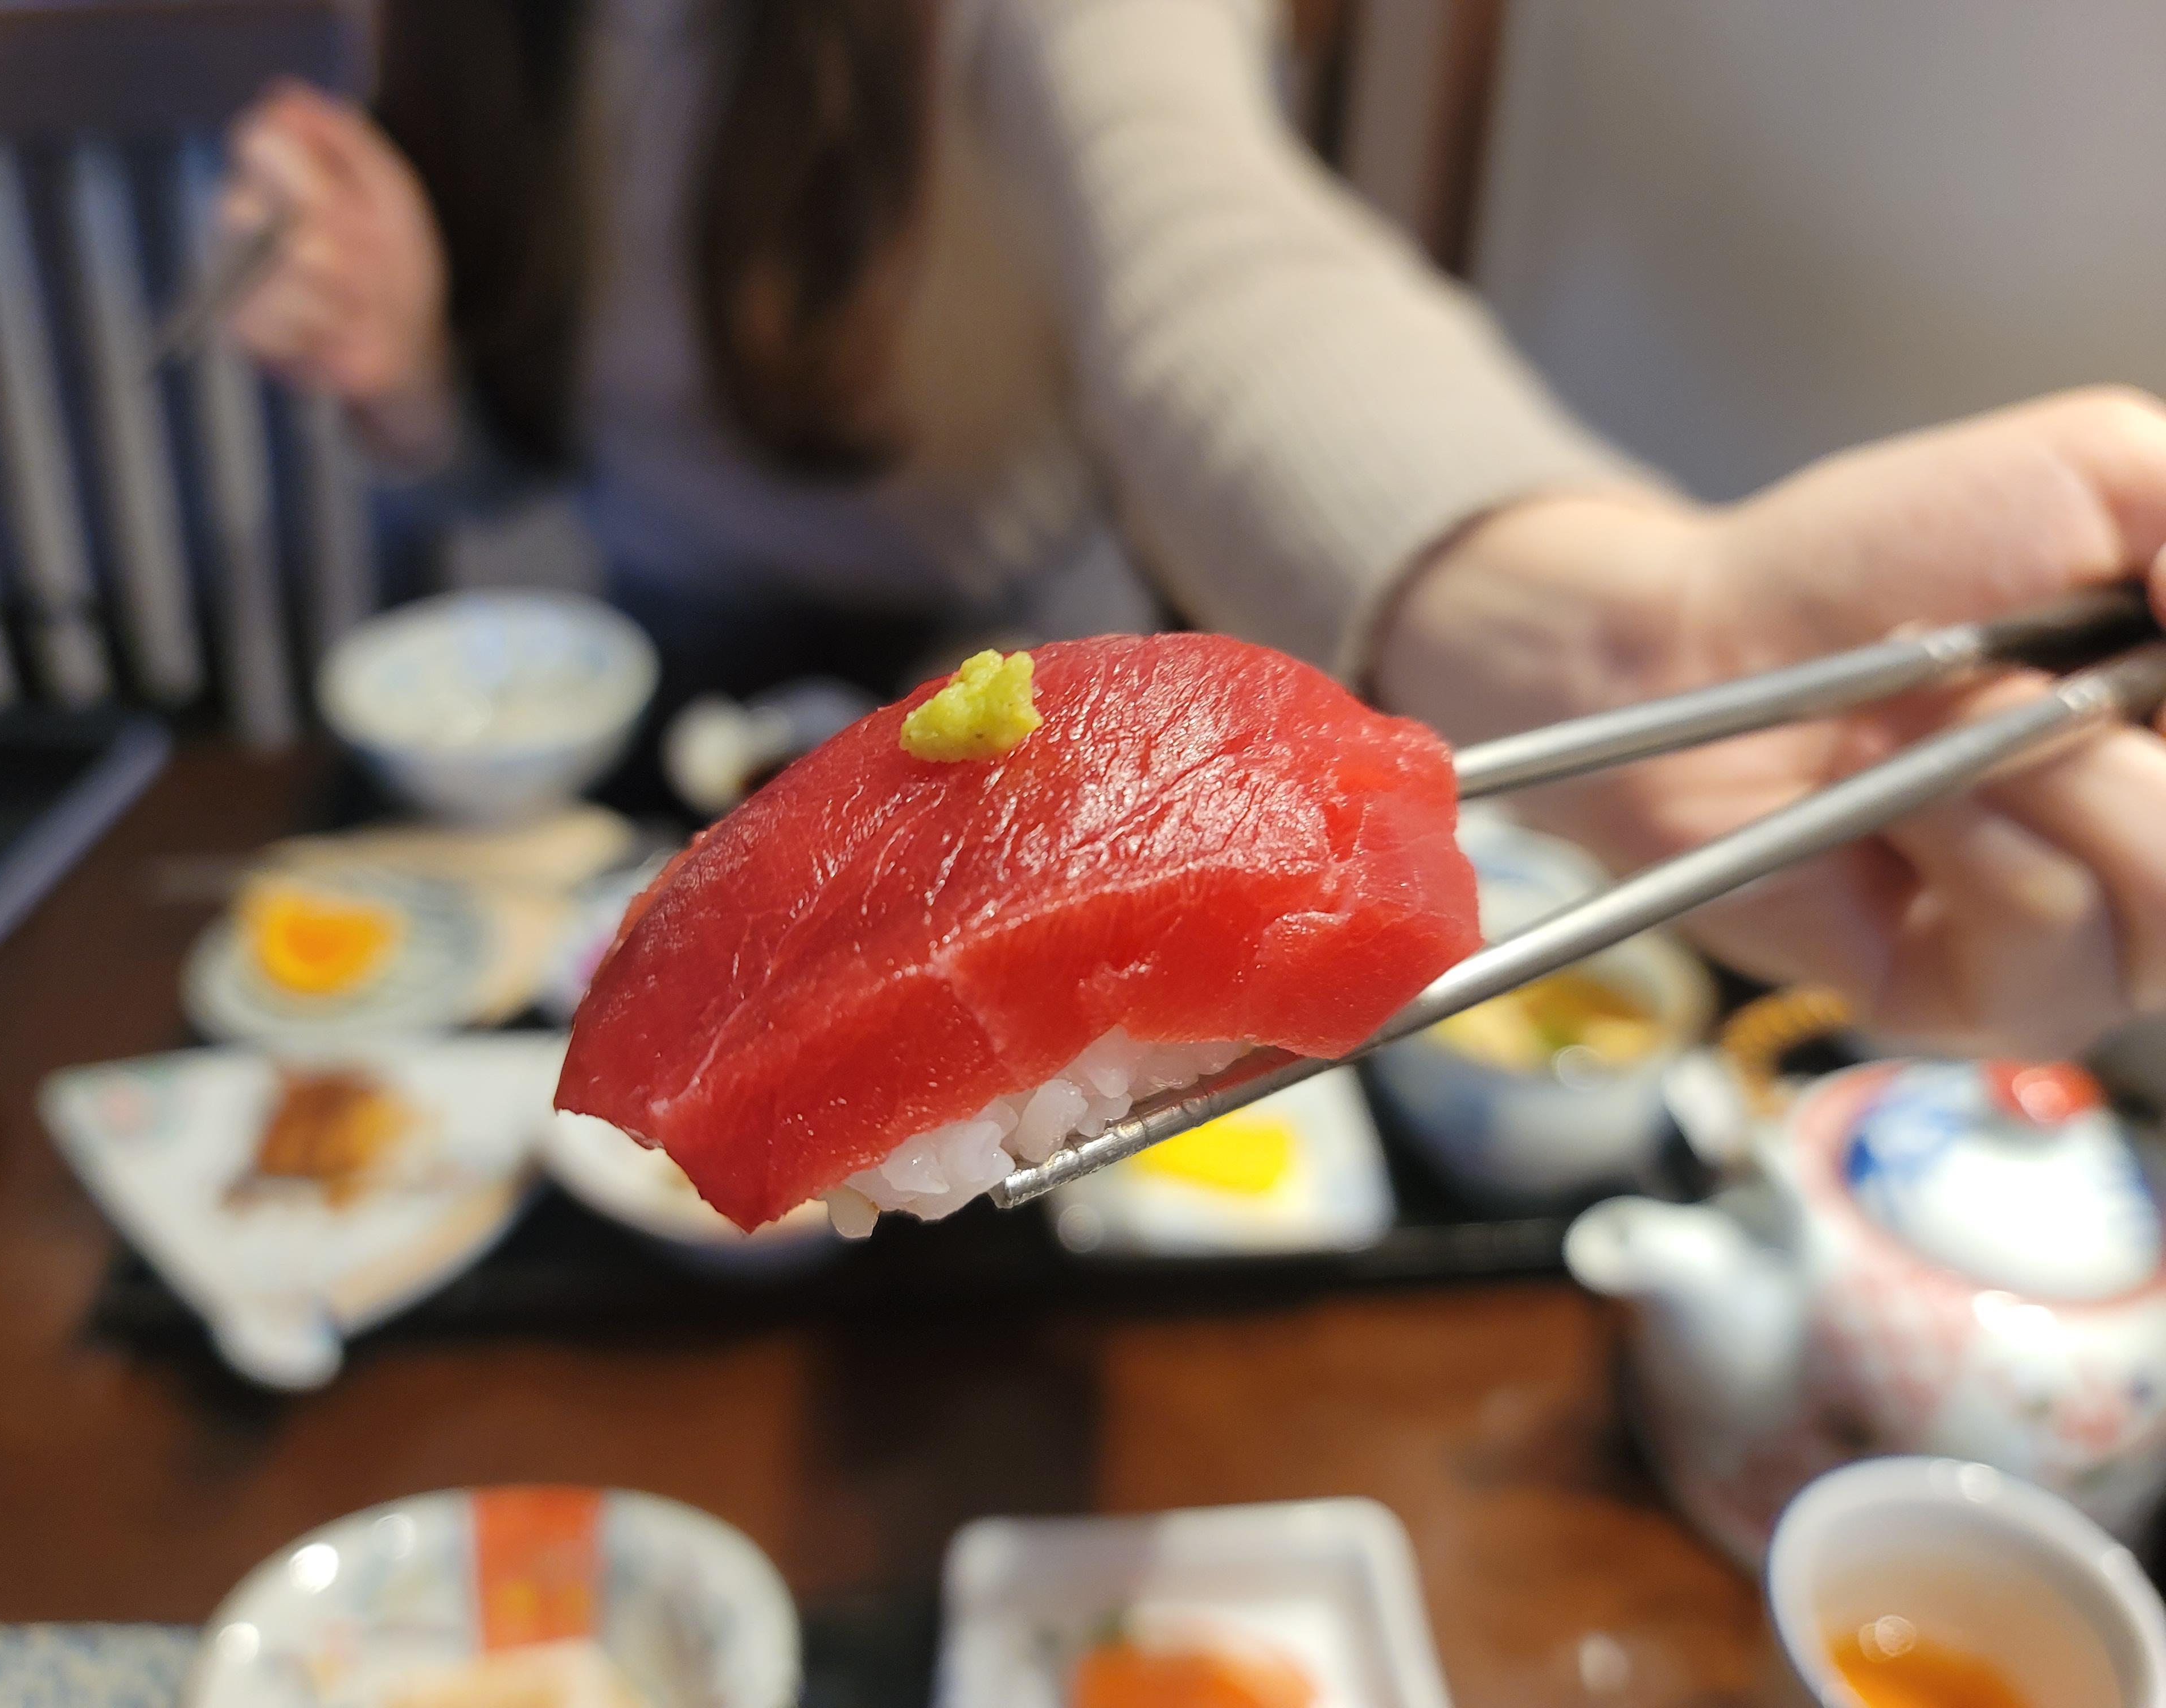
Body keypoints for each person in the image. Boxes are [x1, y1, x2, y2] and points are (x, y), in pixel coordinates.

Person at [217, 0, 2166, 1062]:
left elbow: (1221, 281)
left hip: (1033, 731)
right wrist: (412, 382)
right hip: (664, 721)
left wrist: (1634, 639)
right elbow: (502, 467)